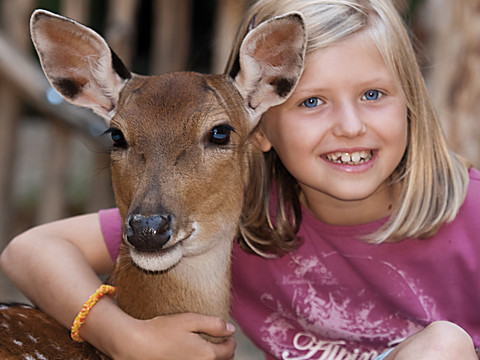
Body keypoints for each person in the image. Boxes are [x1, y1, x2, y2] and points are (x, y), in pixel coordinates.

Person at [2, 0, 480, 359]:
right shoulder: (246, 221)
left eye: (373, 94)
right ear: (262, 128)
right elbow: (27, 252)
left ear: (412, 105)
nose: (349, 126)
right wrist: (127, 338)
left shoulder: (471, 216)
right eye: (312, 102)